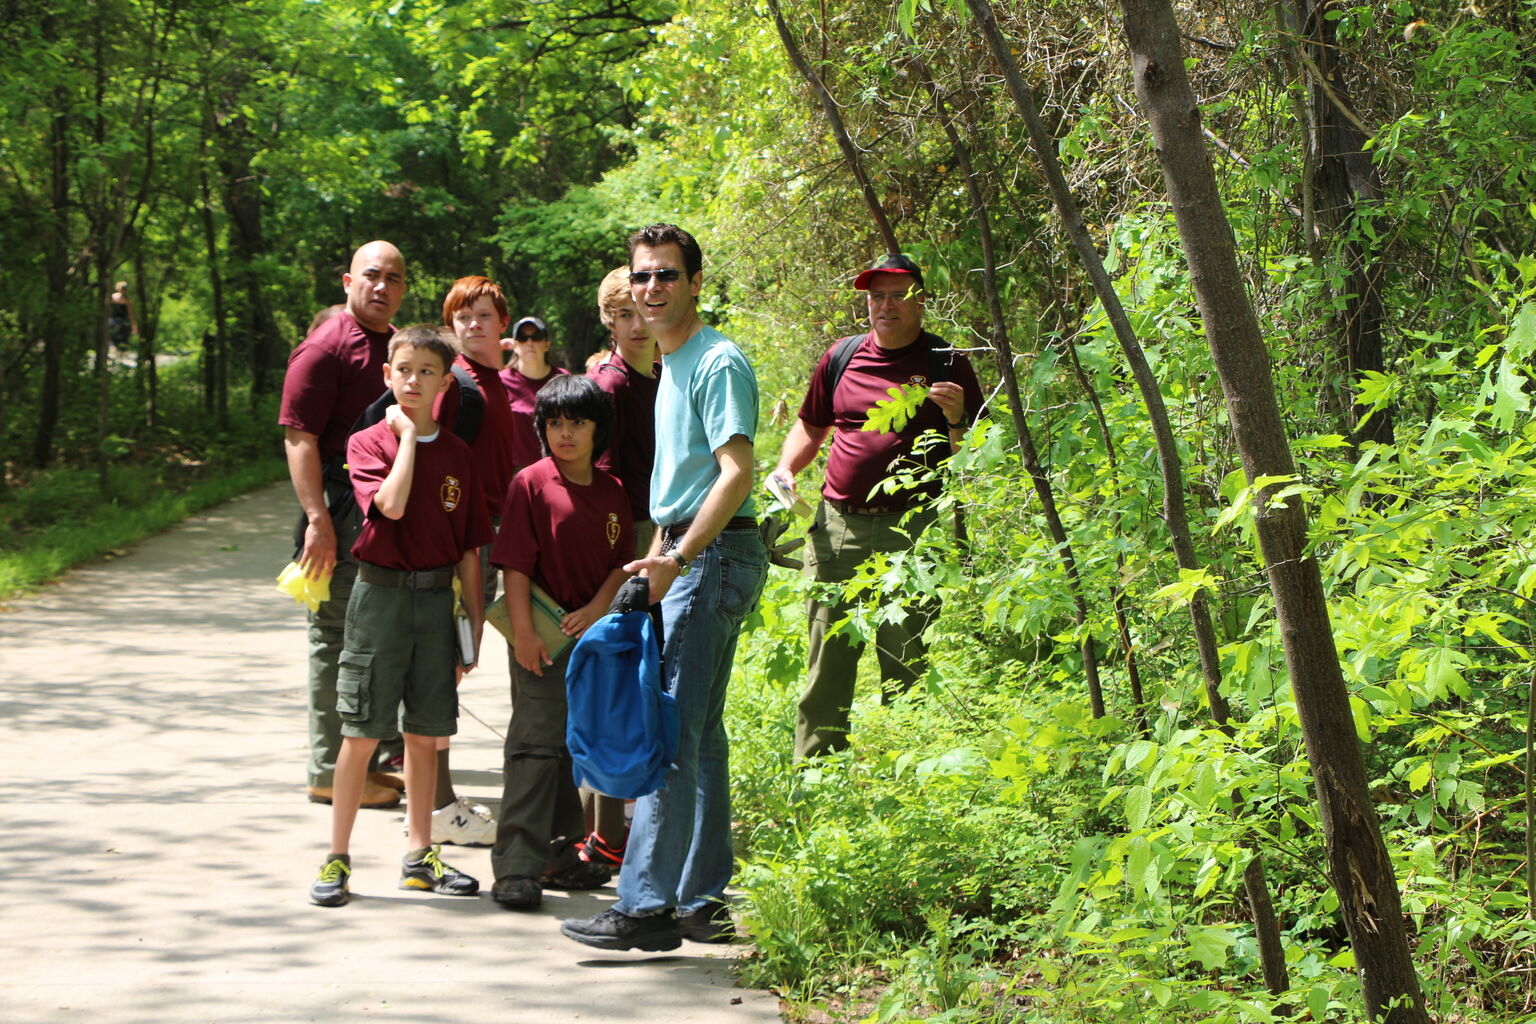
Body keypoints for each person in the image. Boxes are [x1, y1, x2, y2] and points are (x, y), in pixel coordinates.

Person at [561, 224, 768, 952]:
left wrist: (678, 556)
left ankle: (645, 907)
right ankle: (700, 900)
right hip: (690, 552)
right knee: (701, 736)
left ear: (696, 283)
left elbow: (736, 473)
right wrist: (654, 558)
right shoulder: (673, 361)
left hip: (712, 557)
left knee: (673, 733)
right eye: (643, 276)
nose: (653, 289)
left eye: (667, 276)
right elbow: (682, 485)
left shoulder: (715, 362)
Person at [771, 254, 983, 759]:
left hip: (912, 533)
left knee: (906, 655)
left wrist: (955, 419)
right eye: (876, 296)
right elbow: (812, 423)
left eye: (897, 295)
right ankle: (817, 772)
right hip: (835, 527)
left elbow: (973, 458)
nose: (885, 306)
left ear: (920, 301)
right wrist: (786, 469)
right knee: (827, 658)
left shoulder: (946, 362)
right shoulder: (842, 355)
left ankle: (909, 770)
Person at [308, 325, 491, 907]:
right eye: (403, 369)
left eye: (427, 371)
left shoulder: (461, 456)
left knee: (427, 733)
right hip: (379, 598)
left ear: (445, 382)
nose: (413, 380)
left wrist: (475, 625)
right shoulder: (367, 443)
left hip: (437, 603)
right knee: (361, 730)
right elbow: (388, 504)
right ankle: (336, 858)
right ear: (388, 375)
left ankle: (419, 856)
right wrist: (408, 439)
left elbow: (468, 550)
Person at [489, 374, 632, 910]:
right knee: (533, 746)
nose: (565, 434)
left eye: (577, 422)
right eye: (554, 423)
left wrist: (599, 607)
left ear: (600, 428)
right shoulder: (530, 482)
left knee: (574, 748)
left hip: (594, 640)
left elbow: (622, 564)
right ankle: (516, 868)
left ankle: (559, 854)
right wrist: (524, 635)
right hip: (541, 638)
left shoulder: (614, 491)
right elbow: (514, 567)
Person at [279, 241, 410, 810]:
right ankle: (328, 770)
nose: (381, 287)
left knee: (375, 638)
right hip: (337, 509)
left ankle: (366, 763)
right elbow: (299, 439)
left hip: (378, 508)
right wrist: (317, 522)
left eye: (394, 279)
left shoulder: (391, 343)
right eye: (371, 276)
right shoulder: (324, 348)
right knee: (335, 639)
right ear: (347, 281)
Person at [416, 276, 521, 848]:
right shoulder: (457, 386)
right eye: (462, 316)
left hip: (485, 539)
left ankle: (438, 800)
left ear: (503, 323)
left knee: (454, 665)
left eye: (483, 315)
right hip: (460, 546)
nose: (472, 324)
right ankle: (437, 806)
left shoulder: (494, 382)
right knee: (443, 669)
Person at [577, 265, 662, 868]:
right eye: (623, 315)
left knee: (643, 680)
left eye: (642, 312)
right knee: (618, 682)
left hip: (660, 532)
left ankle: (621, 823)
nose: (636, 326)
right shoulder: (608, 386)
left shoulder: (662, 372)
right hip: (624, 537)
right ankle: (606, 830)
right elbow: (593, 476)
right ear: (608, 321)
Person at [499, 315, 568, 477]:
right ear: (515, 345)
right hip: (515, 474)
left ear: (546, 344)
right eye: (523, 338)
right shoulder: (500, 382)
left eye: (536, 337)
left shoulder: (563, 380)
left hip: (558, 471)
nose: (530, 343)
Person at [108, 280, 137, 356]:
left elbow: (131, 313)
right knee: (111, 332)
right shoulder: (112, 297)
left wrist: (134, 324)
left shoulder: (127, 300)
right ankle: (112, 347)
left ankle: (122, 353)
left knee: (125, 335)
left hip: (123, 320)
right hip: (113, 319)